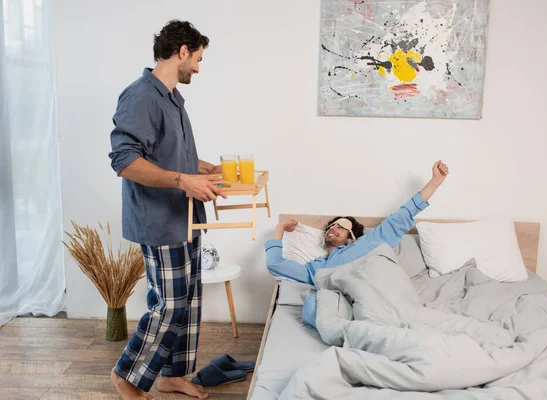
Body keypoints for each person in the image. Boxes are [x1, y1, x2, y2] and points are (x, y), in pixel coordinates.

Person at [108, 20, 226, 400]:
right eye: (198, 58)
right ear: (182, 52)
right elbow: (125, 161)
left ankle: (173, 376)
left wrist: (199, 166)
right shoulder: (141, 96)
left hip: (184, 217)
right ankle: (126, 376)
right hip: (159, 220)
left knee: (188, 302)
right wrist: (182, 180)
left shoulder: (172, 97)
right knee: (169, 305)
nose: (198, 67)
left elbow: (166, 154)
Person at [265, 161, 449, 327]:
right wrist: (280, 228)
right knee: (313, 305)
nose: (333, 228)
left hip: (381, 295)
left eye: (341, 227)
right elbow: (275, 264)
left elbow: (403, 215)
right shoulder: (316, 268)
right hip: (352, 310)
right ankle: (360, 332)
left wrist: (434, 182)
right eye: (330, 226)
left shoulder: (368, 243)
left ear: (351, 238)